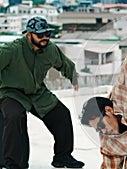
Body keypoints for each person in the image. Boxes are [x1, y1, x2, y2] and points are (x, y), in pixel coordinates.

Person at [0, 16, 84, 169]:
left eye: (47, 34)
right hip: (11, 92)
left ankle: (62, 156)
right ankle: (13, 164)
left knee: (62, 114)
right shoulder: (11, 50)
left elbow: (64, 63)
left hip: (37, 92)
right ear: (29, 34)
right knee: (15, 116)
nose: (45, 38)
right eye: (40, 35)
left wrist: (74, 78)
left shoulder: (50, 49)